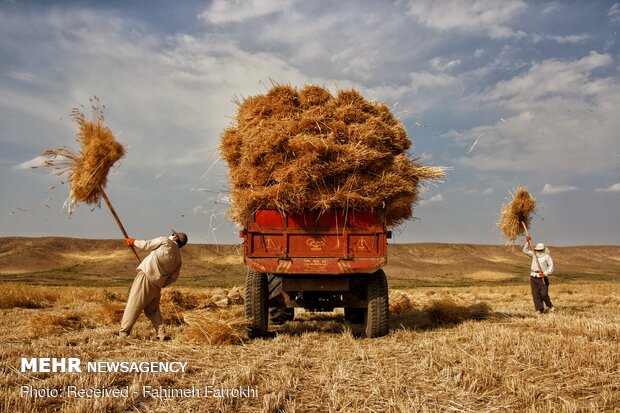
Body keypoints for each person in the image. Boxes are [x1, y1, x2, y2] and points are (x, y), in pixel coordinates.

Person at [118, 230, 188, 339]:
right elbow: (173, 277)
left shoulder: (165, 241)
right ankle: (161, 334)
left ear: (175, 238)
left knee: (134, 303)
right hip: (157, 285)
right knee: (152, 310)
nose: (172, 235)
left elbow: (146, 245)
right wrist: (161, 283)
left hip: (146, 277)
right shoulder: (178, 259)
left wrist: (133, 242)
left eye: (173, 235)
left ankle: (123, 332)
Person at [523, 236, 555, 314]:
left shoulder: (547, 257)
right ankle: (539, 309)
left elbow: (551, 266)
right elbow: (525, 250)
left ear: (543, 249)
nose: (538, 251)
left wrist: (544, 273)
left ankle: (550, 305)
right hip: (533, 276)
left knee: (544, 294)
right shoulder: (534, 254)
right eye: (537, 250)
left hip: (542, 277)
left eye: (540, 250)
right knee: (535, 294)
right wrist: (528, 242)